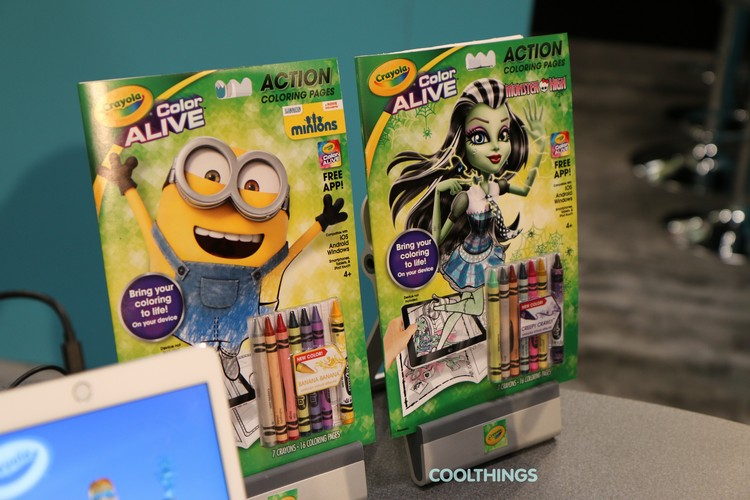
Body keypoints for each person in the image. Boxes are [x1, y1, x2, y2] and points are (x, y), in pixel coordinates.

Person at [388, 78, 545, 349]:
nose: (496, 147)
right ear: (463, 141)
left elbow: (526, 188)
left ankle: (442, 335)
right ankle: (442, 317)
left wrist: (540, 140)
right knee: (475, 307)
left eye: (503, 135)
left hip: (488, 255)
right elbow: (437, 238)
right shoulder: (466, 196)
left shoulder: (494, 187)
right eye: (480, 137)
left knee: (475, 308)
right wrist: (438, 193)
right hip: (469, 260)